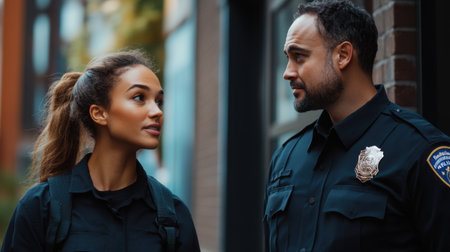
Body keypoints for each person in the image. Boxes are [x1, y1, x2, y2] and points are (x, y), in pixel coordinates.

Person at [263, 1, 450, 251]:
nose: (287, 72)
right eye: (288, 58)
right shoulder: (285, 159)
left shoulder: (419, 152)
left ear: (343, 55)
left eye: (299, 57)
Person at [1, 50, 201, 251]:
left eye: (159, 101)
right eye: (139, 97)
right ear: (99, 113)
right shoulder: (40, 208)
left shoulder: (173, 216)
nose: (157, 111)